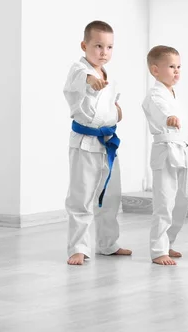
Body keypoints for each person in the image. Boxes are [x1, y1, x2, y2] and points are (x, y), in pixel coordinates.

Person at [63, 20, 132, 266]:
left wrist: (118, 114)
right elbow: (84, 81)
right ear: (84, 45)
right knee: (81, 198)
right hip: (84, 143)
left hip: (107, 141)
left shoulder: (109, 76)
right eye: (98, 46)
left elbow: (115, 108)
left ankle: (108, 243)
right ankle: (78, 248)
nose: (104, 52)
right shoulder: (79, 70)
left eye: (109, 47)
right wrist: (91, 81)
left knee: (111, 196)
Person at [142, 45, 188, 266]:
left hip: (182, 150)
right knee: (164, 202)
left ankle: (168, 242)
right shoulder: (154, 96)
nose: (177, 71)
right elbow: (162, 114)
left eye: (179, 67)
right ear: (155, 70)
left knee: (181, 202)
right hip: (165, 153)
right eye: (171, 67)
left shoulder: (173, 94)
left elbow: (180, 127)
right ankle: (158, 250)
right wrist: (169, 119)